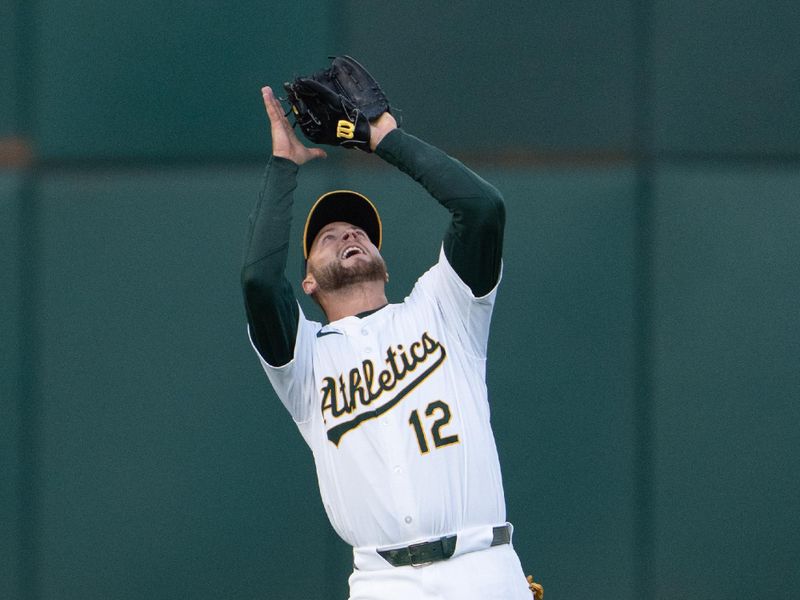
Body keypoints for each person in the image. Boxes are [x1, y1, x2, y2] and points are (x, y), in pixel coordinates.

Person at [241, 84, 534, 599]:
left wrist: (383, 137)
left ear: (384, 261)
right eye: (327, 238)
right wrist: (284, 165)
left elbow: (482, 208)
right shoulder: (303, 362)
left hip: (481, 567)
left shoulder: (443, 308)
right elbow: (260, 281)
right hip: (384, 582)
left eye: (359, 231)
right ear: (308, 282)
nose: (348, 236)